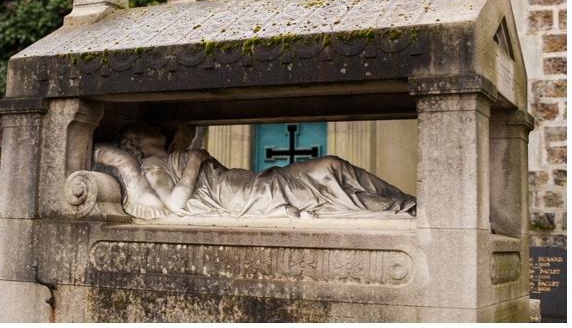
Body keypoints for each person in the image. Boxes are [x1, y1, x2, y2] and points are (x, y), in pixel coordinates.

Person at [94, 121, 417, 221]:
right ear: (134, 141)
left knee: (332, 166)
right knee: (328, 180)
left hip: (252, 182)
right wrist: (194, 161)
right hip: (244, 196)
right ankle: (400, 209)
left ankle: (407, 204)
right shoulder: (154, 166)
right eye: (144, 128)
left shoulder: (175, 154)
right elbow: (175, 205)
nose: (153, 127)